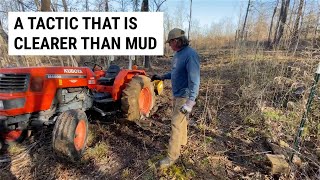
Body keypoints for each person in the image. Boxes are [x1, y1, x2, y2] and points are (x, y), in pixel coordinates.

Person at [151, 28, 200, 169]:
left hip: (184, 96)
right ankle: (182, 142)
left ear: (177, 41)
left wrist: (191, 101)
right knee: (181, 122)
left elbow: (195, 80)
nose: (169, 45)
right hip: (177, 94)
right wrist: (161, 77)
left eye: (170, 43)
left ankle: (172, 156)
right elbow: (175, 73)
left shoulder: (190, 55)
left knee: (175, 124)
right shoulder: (178, 54)